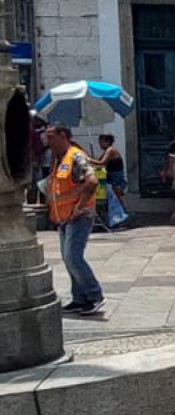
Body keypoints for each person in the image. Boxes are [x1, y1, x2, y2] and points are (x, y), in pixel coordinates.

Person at [45, 123, 105, 316]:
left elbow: (92, 181)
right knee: (67, 258)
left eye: (51, 136)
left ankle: (94, 295)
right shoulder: (58, 158)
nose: (48, 141)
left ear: (63, 135)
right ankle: (79, 299)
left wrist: (79, 207)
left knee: (73, 257)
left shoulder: (76, 156)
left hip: (79, 215)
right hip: (63, 217)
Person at [91, 133, 130, 229]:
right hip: (110, 178)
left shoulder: (111, 150)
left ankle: (121, 220)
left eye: (101, 142)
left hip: (115, 180)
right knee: (113, 199)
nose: (100, 145)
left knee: (116, 199)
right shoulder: (106, 151)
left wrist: (88, 159)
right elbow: (98, 162)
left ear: (107, 142)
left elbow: (102, 162)